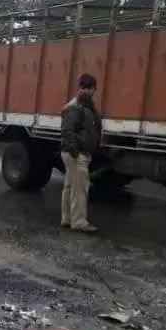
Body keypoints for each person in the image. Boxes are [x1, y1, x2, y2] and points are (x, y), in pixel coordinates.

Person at [61, 73, 101, 234]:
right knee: (80, 189)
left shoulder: (81, 104)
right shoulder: (78, 105)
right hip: (77, 154)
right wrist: (76, 151)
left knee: (70, 186)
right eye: (87, 88)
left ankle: (67, 218)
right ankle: (78, 221)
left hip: (73, 152)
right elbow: (67, 130)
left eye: (89, 88)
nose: (89, 91)